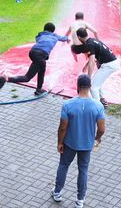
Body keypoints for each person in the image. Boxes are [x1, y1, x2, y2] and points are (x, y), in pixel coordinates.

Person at [51, 74, 105, 208]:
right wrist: (96, 139)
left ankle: (57, 193)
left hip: (69, 143)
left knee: (63, 166)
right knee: (83, 170)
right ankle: (80, 200)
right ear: (90, 87)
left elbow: (63, 127)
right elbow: (102, 129)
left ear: (77, 86)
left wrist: (60, 142)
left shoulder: (68, 104)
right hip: (87, 145)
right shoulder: (98, 106)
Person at [0, 22, 69, 95]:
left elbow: (38, 39)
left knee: (41, 70)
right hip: (40, 55)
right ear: (53, 31)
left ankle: (38, 90)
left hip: (33, 52)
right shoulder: (55, 36)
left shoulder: (41, 35)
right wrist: (68, 38)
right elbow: (63, 38)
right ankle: (7, 78)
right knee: (27, 78)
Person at [76, 28, 119, 106]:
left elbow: (92, 62)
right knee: (97, 82)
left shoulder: (89, 45)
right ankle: (102, 100)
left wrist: (88, 78)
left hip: (108, 65)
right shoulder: (92, 40)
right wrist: (86, 66)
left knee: (92, 86)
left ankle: (98, 108)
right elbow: (93, 58)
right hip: (112, 62)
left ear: (79, 37)